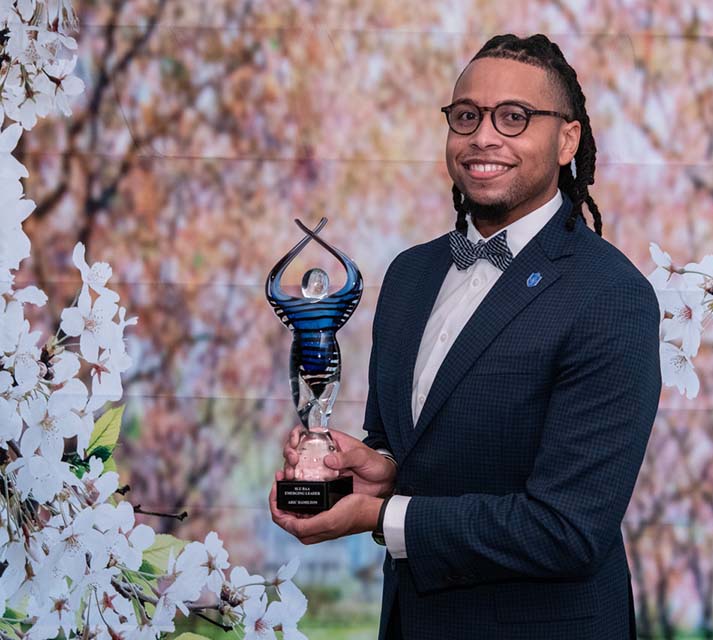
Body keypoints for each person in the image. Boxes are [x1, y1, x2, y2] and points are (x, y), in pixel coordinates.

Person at [269, 33, 662, 640]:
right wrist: (378, 467)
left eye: (514, 117)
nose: (484, 136)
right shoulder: (408, 275)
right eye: (466, 116)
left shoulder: (611, 295)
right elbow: (413, 443)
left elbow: (568, 528)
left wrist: (381, 516)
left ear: (567, 139)